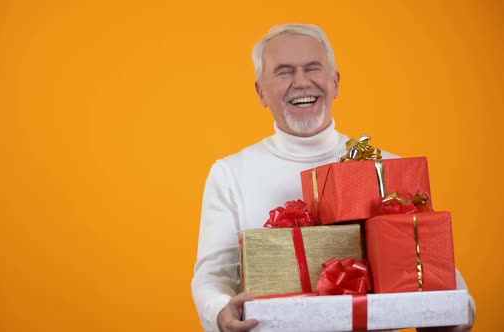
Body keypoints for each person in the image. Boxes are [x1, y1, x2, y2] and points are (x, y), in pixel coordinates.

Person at [191, 23, 475, 332]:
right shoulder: (231, 173)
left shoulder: (386, 169)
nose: (301, 82)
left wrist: (456, 311)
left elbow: (436, 268)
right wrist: (220, 312)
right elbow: (213, 275)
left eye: (313, 68)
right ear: (261, 92)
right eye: (284, 71)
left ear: (336, 83)